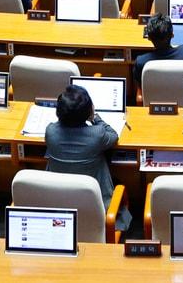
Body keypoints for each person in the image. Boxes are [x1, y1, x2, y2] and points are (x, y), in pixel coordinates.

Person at [45, 84, 128, 230]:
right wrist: (95, 117)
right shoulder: (97, 134)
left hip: (59, 201)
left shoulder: (50, 132)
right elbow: (114, 135)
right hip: (96, 204)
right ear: (88, 111)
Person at [134, 13, 183, 84]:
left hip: (155, 95)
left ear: (148, 38)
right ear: (172, 35)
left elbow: (141, 86)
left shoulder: (141, 62)